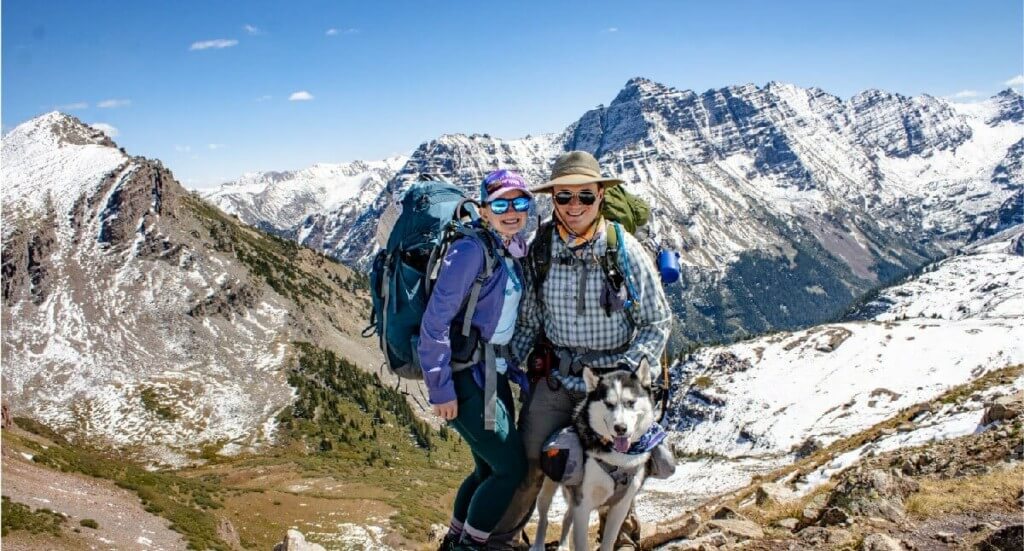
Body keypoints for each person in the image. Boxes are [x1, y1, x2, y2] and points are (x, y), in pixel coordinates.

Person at [491, 151, 673, 550]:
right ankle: (502, 541)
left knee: (619, 464)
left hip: (614, 383)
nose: (575, 206)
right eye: (564, 196)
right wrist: (501, 366)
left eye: (585, 197)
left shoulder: (625, 251)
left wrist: (625, 373)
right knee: (531, 461)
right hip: (559, 377)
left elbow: (658, 320)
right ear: (552, 199)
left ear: (600, 198)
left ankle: (619, 538)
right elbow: (530, 320)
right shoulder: (540, 249)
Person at [418, 170, 534, 550]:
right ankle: (472, 546)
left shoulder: (509, 248)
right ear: (484, 210)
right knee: (511, 470)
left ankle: (454, 540)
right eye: (500, 203)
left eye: (520, 202)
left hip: (493, 374)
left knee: (486, 468)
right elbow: (434, 322)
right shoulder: (470, 251)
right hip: (467, 377)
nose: (511, 210)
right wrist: (440, 390)